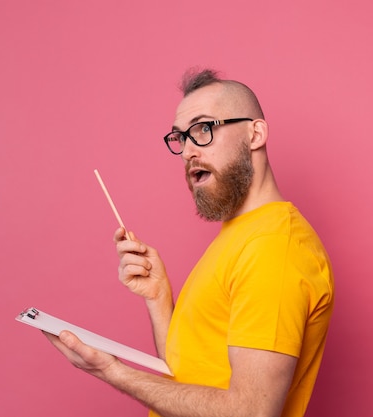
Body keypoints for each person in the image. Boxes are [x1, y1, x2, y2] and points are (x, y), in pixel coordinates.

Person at [44, 68, 335, 417]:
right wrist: (159, 298)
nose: (187, 152)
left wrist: (112, 371)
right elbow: (190, 372)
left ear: (255, 133)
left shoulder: (274, 247)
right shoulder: (241, 235)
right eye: (181, 138)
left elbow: (251, 412)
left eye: (203, 129)